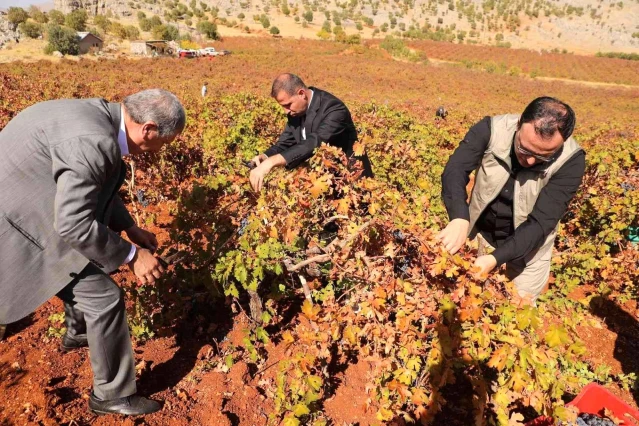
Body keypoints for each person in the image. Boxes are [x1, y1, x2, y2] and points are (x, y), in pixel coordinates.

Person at [0, 89, 186, 415]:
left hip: (27, 199)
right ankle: (112, 395)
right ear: (150, 129)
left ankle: (77, 333)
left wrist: (129, 226)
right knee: (104, 297)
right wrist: (132, 255)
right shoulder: (93, 141)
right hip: (19, 220)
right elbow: (72, 224)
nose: (159, 151)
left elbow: (95, 184)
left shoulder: (98, 117)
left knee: (83, 261)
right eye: (165, 143)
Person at [437, 97, 585, 305]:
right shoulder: (491, 129)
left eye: (543, 156)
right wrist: (459, 217)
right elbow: (455, 170)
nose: (530, 161)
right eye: (524, 150)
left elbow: (540, 224)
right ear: (518, 125)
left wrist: (493, 259)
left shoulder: (571, 161)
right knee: (465, 300)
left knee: (517, 310)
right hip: (480, 232)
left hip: (530, 248)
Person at [249, 73, 373, 192]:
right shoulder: (296, 111)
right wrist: (265, 157)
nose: (285, 111)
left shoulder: (334, 109)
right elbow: (285, 142)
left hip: (351, 181)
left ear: (301, 93)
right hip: (321, 181)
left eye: (288, 105)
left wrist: (272, 162)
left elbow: (315, 142)